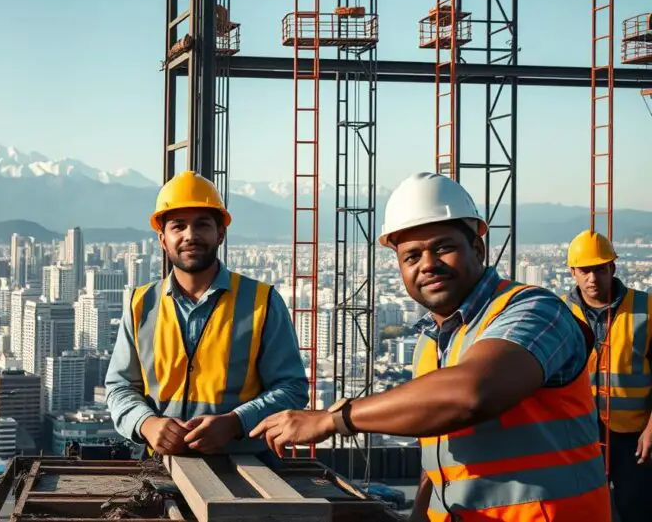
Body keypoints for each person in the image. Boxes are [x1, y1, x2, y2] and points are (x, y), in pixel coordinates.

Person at [250, 172, 611, 522]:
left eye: (444, 248)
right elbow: (438, 456)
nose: (428, 265)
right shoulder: (429, 341)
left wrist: (335, 419)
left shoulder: (535, 310)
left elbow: (472, 393)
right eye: (412, 256)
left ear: (478, 248)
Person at [105, 171, 308, 456]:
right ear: (163, 239)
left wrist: (236, 423)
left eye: (202, 225)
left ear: (220, 234)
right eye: (179, 226)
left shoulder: (262, 302)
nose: (190, 235)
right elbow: (120, 386)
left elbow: (292, 388)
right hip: (159, 468)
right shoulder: (141, 304)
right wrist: (147, 424)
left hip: (246, 469)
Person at [563, 230, 652, 522]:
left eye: (599, 269)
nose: (592, 278)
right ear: (573, 272)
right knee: (582, 509)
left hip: (633, 436)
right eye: (585, 270)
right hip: (579, 433)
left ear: (612, 268)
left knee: (635, 508)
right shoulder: (560, 312)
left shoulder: (646, 309)